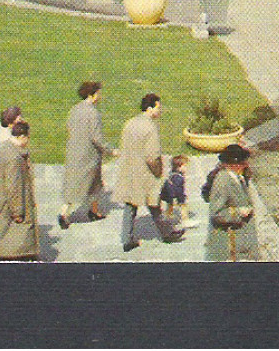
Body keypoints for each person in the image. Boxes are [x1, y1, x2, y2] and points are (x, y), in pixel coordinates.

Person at [115, 93, 184, 251]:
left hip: (130, 171)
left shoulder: (130, 123)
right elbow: (152, 157)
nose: (160, 111)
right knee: (154, 203)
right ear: (150, 108)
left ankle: (127, 238)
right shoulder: (150, 128)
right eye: (158, 107)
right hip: (145, 173)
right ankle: (167, 234)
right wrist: (159, 173)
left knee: (130, 205)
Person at [60, 81, 115, 228]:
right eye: (98, 92)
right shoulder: (93, 113)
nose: (100, 95)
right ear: (92, 95)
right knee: (93, 182)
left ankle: (86, 211)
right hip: (89, 155)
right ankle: (78, 213)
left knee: (76, 184)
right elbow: (97, 138)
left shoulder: (74, 109)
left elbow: (69, 127)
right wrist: (111, 150)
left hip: (74, 152)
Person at [0, 120, 39, 261]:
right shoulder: (15, 158)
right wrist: (18, 213)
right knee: (17, 241)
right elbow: (14, 188)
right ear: (22, 137)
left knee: (1, 237)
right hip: (10, 207)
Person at [205, 143, 258, 261]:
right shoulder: (223, 181)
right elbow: (217, 213)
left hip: (241, 240)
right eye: (243, 162)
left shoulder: (236, 176)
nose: (246, 165)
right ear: (235, 164)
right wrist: (239, 212)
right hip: (231, 244)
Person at [159, 154, 193, 230]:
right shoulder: (178, 177)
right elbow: (178, 189)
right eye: (185, 166)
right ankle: (185, 220)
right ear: (179, 167)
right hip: (174, 194)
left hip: (167, 193)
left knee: (170, 205)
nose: (187, 168)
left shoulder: (172, 174)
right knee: (183, 206)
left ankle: (167, 217)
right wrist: (181, 198)